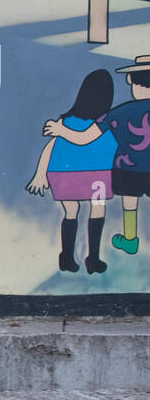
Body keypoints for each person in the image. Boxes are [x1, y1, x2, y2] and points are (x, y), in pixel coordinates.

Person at [45, 54, 150, 256]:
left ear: (130, 80)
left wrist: (60, 130)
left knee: (130, 200)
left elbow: (85, 138)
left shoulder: (120, 112)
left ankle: (130, 239)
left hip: (128, 169)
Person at [26, 69, 116, 273]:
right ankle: (91, 258)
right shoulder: (105, 122)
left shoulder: (65, 122)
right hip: (96, 173)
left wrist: (41, 172)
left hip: (64, 174)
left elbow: (54, 144)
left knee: (71, 211)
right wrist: (40, 173)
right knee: (97, 208)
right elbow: (80, 139)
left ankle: (68, 257)